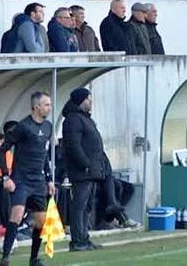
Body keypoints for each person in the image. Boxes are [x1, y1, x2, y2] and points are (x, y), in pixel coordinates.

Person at [0, 92, 56, 266]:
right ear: (36, 106)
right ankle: (5, 257)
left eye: (49, 104)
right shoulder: (23, 127)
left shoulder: (48, 126)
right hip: (21, 179)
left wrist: (49, 179)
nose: (49, 107)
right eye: (46, 104)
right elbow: (1, 151)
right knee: (16, 215)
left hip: (38, 181)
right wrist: (6, 177)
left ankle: (34, 259)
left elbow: (44, 154)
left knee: (40, 221)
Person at [61, 88, 106, 252]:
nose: (91, 102)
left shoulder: (84, 119)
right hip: (82, 171)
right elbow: (74, 145)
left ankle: (84, 238)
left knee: (86, 206)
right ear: (81, 101)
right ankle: (77, 240)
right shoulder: (73, 120)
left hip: (91, 170)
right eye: (88, 99)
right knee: (79, 206)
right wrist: (86, 164)